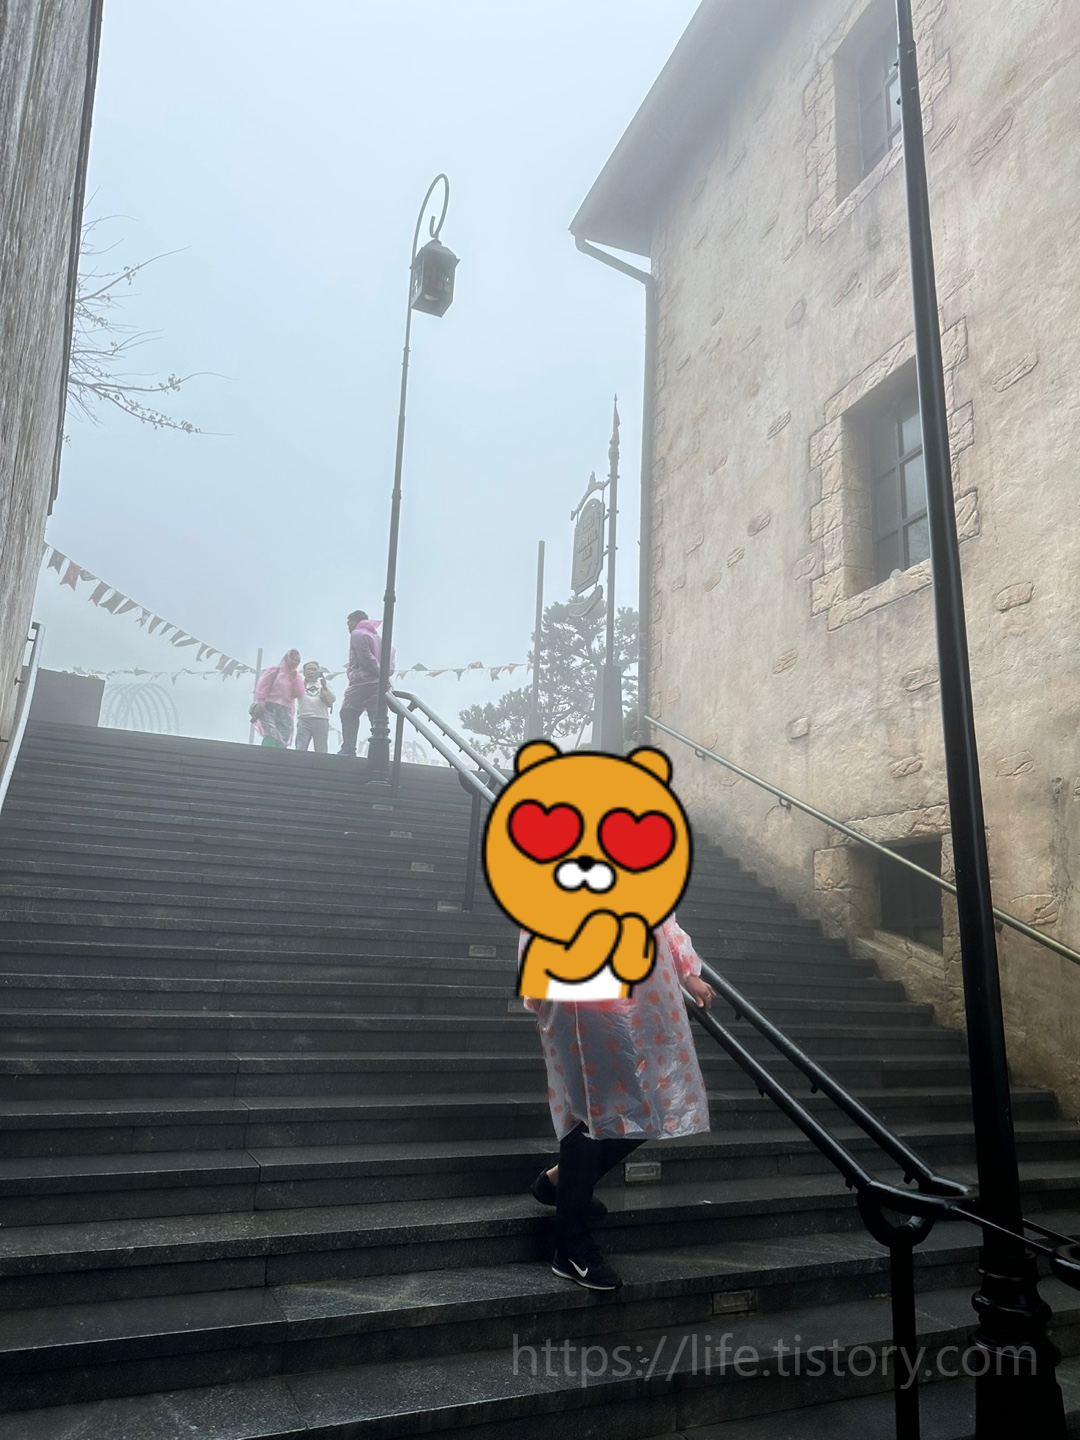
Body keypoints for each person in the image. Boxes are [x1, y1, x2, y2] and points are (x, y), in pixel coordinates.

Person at [523, 915, 714, 1292]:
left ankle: (561, 1182)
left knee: (650, 1105)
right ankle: (570, 1247)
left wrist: (687, 970)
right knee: (592, 1107)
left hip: (641, 989)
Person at [337, 609, 393, 758]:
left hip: (363, 682)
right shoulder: (377, 637)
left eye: (349, 623)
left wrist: (379, 671)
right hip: (379, 685)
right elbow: (390, 656)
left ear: (356, 620)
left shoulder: (358, 634)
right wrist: (385, 674)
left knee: (348, 712)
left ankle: (348, 748)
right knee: (376, 718)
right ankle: (380, 754)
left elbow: (365, 657)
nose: (348, 627)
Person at [251, 649, 303, 749]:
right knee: (270, 732)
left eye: (297, 661)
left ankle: (280, 755)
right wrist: (261, 700)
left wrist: (294, 678)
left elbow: (299, 693)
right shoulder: (274, 671)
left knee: (284, 735)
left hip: (286, 710)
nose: (295, 662)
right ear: (287, 658)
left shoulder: (296, 677)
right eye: (293, 659)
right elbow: (262, 685)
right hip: (269, 707)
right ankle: (266, 754)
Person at [295, 661, 335, 754]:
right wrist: (305, 682)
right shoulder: (300, 684)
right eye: (309, 669)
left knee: (321, 750)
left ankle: (321, 764)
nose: (312, 671)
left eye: (314, 670)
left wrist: (324, 687)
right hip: (304, 719)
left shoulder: (325, 683)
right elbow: (295, 694)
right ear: (304, 672)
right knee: (300, 748)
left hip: (321, 719)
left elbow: (332, 699)